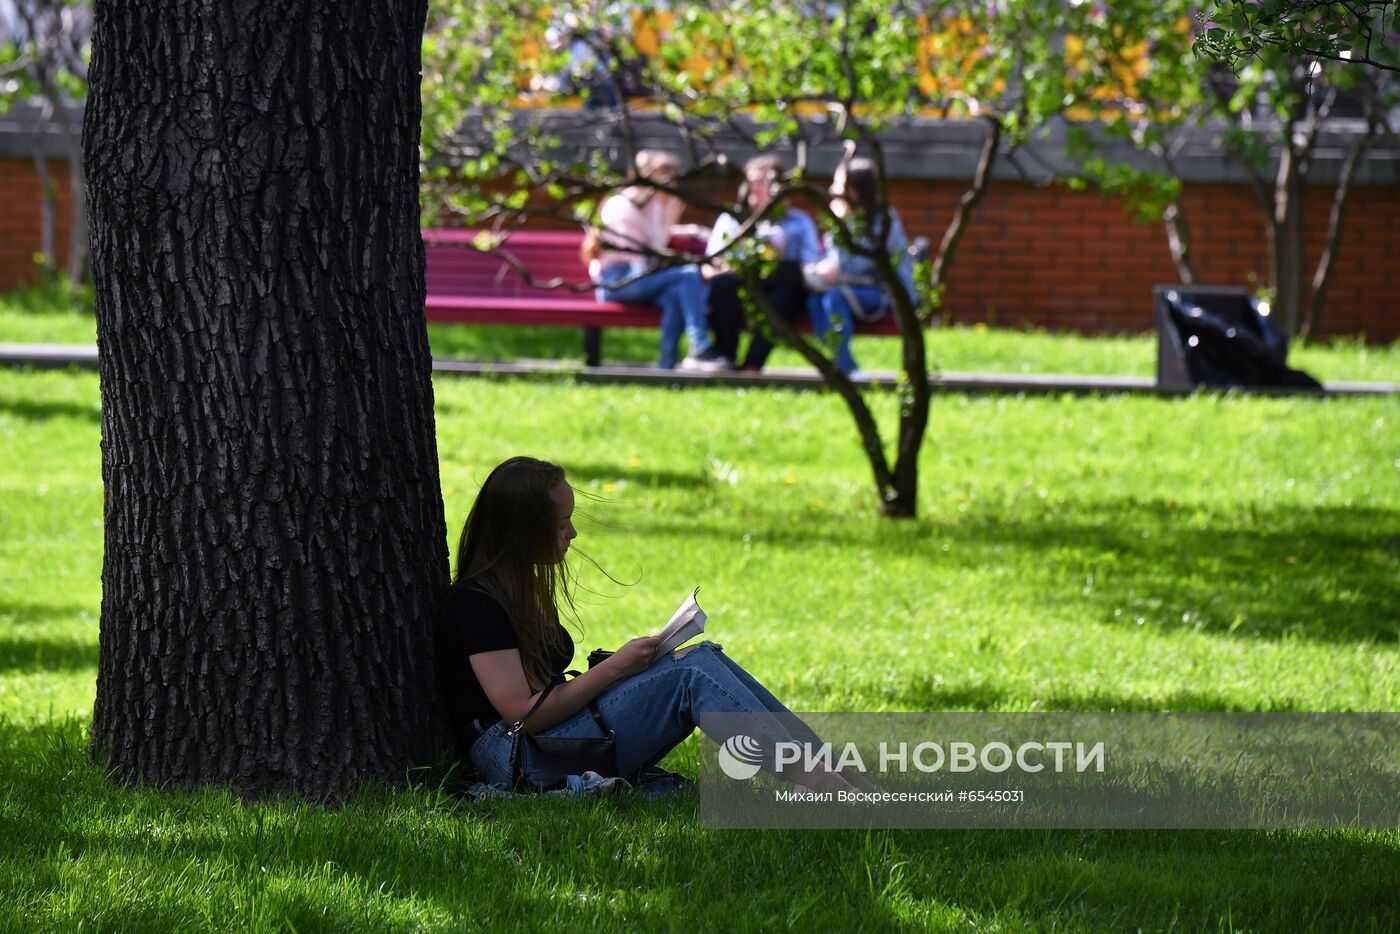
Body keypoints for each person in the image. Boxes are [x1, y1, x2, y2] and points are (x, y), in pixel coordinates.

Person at [435, 456, 868, 793]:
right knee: (691, 675)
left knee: (700, 656)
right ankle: (828, 788)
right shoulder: (477, 604)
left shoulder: (519, 589)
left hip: (539, 746)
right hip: (514, 758)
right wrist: (615, 668)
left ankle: (839, 775)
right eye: (562, 522)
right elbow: (521, 713)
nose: (572, 533)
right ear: (523, 530)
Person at [586, 150, 727, 370]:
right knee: (688, 274)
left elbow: (654, 243)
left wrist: (688, 229)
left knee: (675, 294)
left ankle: (666, 369)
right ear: (649, 176)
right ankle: (700, 346)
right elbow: (652, 253)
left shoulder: (655, 205)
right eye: (666, 179)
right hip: (616, 282)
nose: (671, 186)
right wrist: (671, 219)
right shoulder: (622, 206)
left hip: (640, 276)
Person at [704, 154, 824, 371]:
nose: (755, 188)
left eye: (762, 183)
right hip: (740, 286)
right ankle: (725, 357)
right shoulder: (731, 220)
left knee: (787, 290)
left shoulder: (799, 221)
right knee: (725, 286)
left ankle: (752, 364)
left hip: (781, 289)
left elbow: (811, 261)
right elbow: (713, 261)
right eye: (751, 182)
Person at [808, 156, 917, 377]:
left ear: (854, 191)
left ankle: (846, 369)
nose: (831, 189)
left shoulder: (883, 222)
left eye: (838, 184)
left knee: (833, 298)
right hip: (855, 291)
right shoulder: (851, 219)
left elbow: (850, 266)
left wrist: (838, 224)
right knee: (814, 301)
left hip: (889, 294)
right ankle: (839, 363)